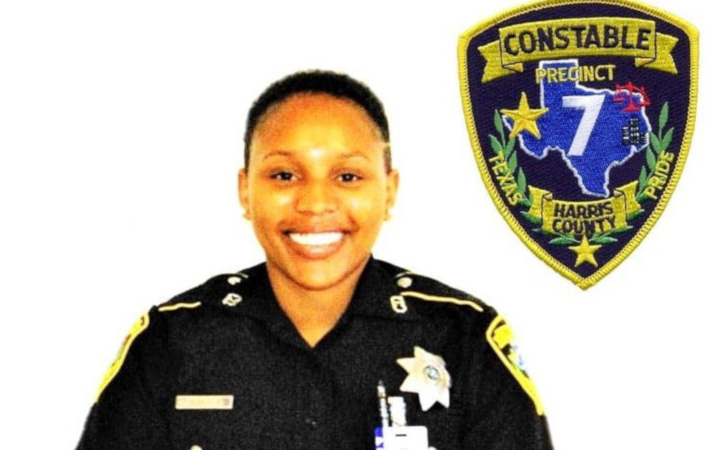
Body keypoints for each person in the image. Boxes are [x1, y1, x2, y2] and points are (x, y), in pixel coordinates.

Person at [76, 70, 553, 449]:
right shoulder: (169, 345)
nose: (315, 203)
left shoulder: (465, 342)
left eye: (347, 176)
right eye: (284, 175)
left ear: (389, 192)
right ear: (245, 191)